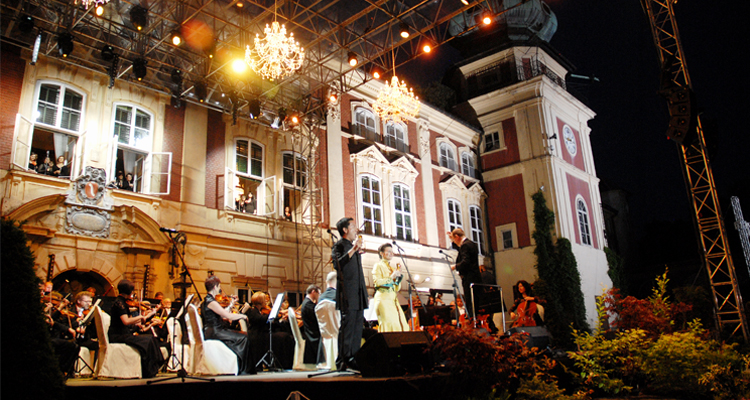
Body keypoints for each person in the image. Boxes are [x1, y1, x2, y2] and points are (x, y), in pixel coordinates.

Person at [108, 279, 164, 378]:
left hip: (123, 333)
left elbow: (128, 320)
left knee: (151, 339)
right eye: (132, 291)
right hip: (118, 335)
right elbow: (126, 321)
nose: (133, 294)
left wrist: (137, 324)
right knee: (148, 340)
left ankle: (154, 366)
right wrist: (140, 317)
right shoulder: (119, 303)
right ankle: (148, 370)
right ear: (128, 291)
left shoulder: (122, 302)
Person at [331, 216, 367, 371]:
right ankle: (344, 359)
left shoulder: (353, 247)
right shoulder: (338, 245)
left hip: (358, 292)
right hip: (347, 293)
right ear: (345, 230)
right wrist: (354, 249)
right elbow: (338, 264)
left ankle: (354, 356)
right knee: (348, 326)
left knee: (358, 326)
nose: (356, 229)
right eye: (353, 227)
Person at [201, 275, 255, 374]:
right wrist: (242, 316)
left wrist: (231, 304)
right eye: (219, 286)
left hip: (214, 330)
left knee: (243, 336)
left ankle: (240, 366)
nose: (219, 289)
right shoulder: (211, 302)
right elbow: (227, 316)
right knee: (244, 337)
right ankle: (243, 369)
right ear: (215, 287)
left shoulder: (209, 300)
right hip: (215, 331)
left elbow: (222, 314)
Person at [244, 291, 294, 370]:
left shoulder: (260, 310)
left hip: (263, 333)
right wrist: (275, 315)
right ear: (260, 301)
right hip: (257, 335)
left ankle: (286, 363)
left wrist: (280, 320)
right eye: (265, 299)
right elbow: (261, 319)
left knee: (286, 336)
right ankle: (281, 363)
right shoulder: (252, 311)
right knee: (283, 337)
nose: (266, 301)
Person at [447, 228, 483, 319]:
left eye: (454, 239)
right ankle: (475, 319)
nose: (454, 242)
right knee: (476, 301)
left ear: (457, 237)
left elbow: (465, 262)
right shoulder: (472, 244)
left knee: (470, 301)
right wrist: (452, 239)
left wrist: (455, 266)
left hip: (469, 278)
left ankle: (471, 320)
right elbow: (460, 249)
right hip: (476, 277)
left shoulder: (465, 246)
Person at [371, 243, 408, 332]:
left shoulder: (392, 268)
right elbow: (377, 283)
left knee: (400, 324)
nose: (391, 253)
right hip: (383, 298)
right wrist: (392, 277)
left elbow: (396, 288)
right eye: (388, 251)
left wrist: (398, 279)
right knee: (389, 325)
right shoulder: (378, 265)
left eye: (392, 251)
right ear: (381, 253)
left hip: (393, 300)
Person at [300, 284, 324, 364]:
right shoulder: (308, 304)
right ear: (313, 292)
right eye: (319, 293)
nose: (319, 296)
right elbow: (318, 318)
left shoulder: (307, 303)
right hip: (313, 335)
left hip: (310, 332)